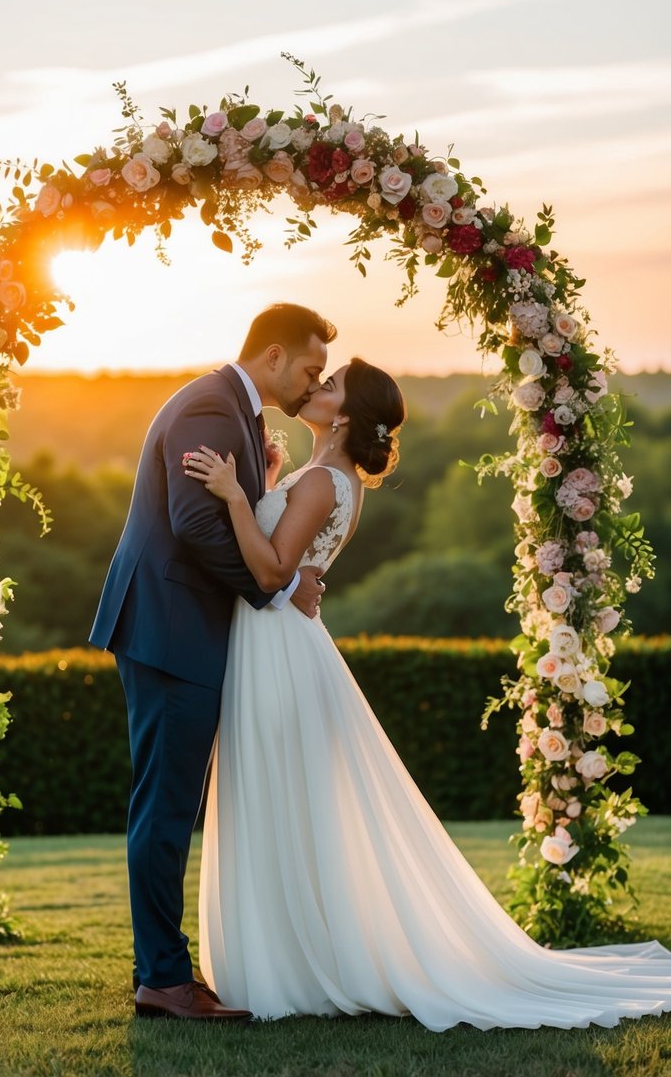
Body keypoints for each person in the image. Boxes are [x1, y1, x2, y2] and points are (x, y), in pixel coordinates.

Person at [184, 359, 671, 1030]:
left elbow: (271, 568)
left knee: (276, 794)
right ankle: (288, 954)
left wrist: (237, 496)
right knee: (282, 799)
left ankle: (290, 963)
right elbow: (286, 561)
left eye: (329, 388)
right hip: (280, 643)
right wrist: (268, 485)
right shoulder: (331, 481)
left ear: (346, 415)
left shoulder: (326, 482)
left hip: (276, 651)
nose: (316, 391)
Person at [89, 303, 337, 1021]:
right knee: (165, 810)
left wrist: (258, 481)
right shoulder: (208, 406)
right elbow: (194, 521)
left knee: (168, 806)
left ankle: (162, 972)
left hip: (178, 627)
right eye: (309, 370)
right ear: (272, 357)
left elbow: (215, 510)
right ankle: (163, 980)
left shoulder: (237, 411)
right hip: (170, 629)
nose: (311, 385)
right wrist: (281, 584)